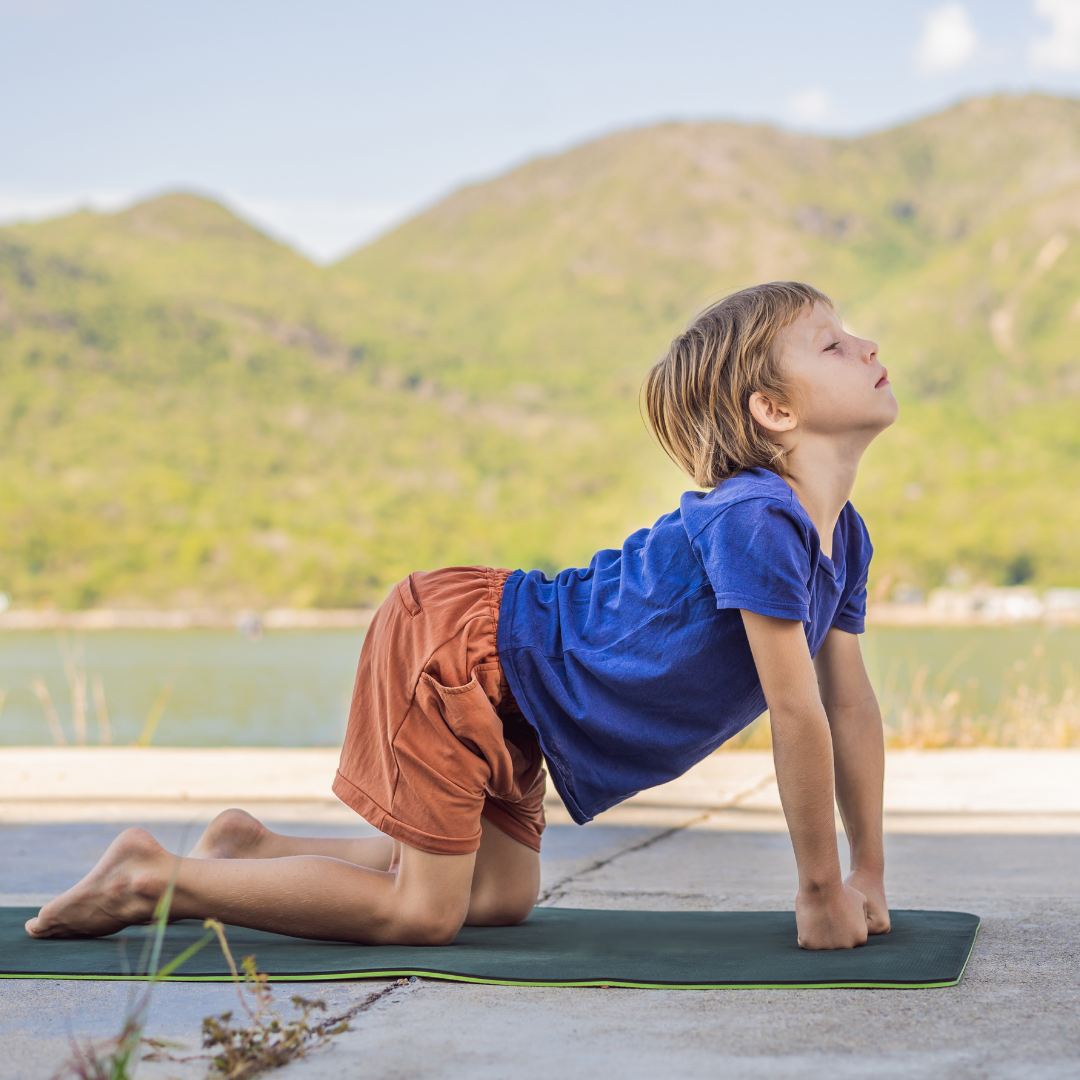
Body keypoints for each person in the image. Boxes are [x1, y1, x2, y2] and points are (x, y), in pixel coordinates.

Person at [25, 281, 897, 951]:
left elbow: (848, 707)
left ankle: (248, 849)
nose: (865, 346)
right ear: (774, 410)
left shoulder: (840, 537)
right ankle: (157, 877)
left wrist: (869, 875)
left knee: (499, 898)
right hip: (462, 652)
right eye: (833, 341)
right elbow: (796, 712)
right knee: (424, 913)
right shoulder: (756, 516)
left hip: (518, 692)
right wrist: (820, 890)